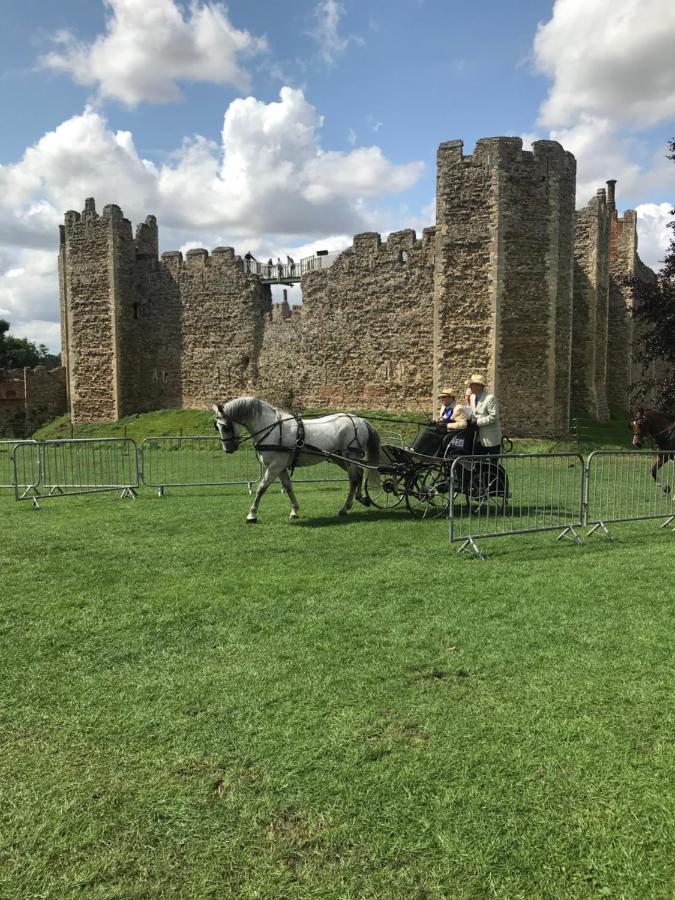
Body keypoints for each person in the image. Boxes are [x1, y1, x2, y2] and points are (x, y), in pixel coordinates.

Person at [465, 374, 502, 455]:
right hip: (477, 438)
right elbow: (474, 413)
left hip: (490, 438)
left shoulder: (490, 398)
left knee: (491, 466)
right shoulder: (472, 397)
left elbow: (493, 417)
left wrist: (477, 422)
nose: (470, 386)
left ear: (479, 386)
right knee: (478, 464)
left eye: (472, 384)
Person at [437, 387, 469, 454]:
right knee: (427, 430)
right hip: (443, 431)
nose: (442, 399)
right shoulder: (443, 407)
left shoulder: (458, 408)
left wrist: (447, 425)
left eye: (444, 397)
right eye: (442, 397)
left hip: (452, 434)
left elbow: (463, 424)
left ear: (451, 398)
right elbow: (442, 418)